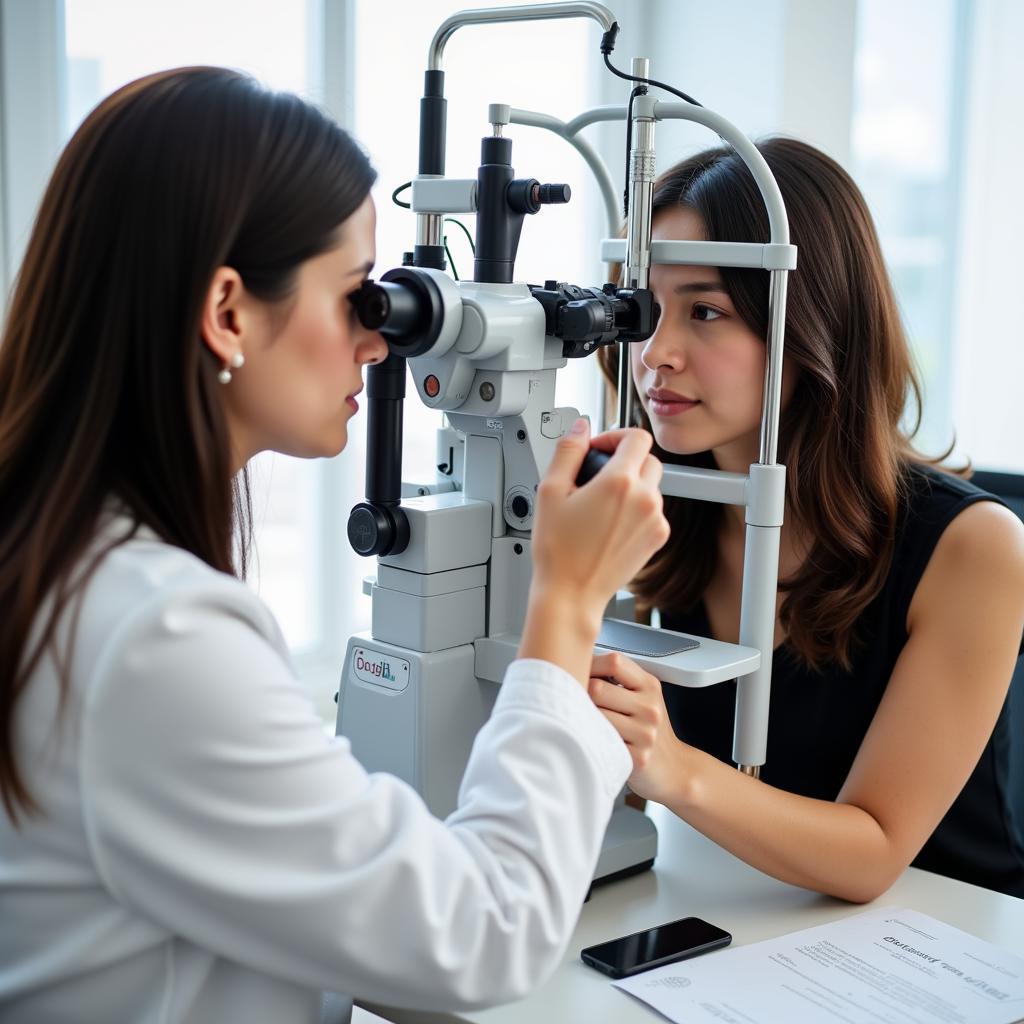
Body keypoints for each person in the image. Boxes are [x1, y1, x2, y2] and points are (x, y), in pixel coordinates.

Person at [0, 68, 671, 1023]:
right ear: (229, 311)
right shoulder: (155, 637)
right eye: (358, 296)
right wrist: (566, 599)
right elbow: (483, 937)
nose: (378, 342)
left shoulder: (65, 564)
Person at [593, 136, 1024, 903]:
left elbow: (875, 849)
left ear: (812, 323)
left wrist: (670, 765)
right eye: (648, 310)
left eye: (706, 311)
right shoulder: (673, 510)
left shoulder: (976, 549)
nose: (656, 353)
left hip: (948, 945)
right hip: (753, 920)